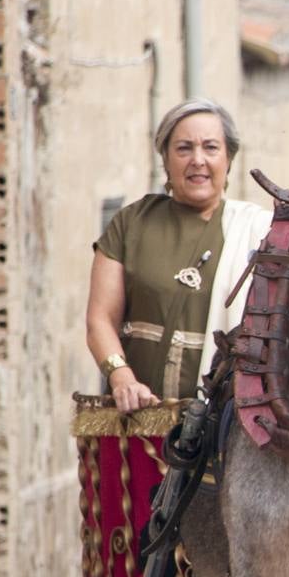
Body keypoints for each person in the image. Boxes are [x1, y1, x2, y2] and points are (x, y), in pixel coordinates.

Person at [85, 99, 272, 410]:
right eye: (184, 148)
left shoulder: (258, 233)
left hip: (219, 430)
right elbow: (99, 319)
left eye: (210, 148)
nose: (197, 160)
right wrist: (121, 376)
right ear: (166, 160)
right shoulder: (132, 223)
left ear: (228, 159)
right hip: (136, 422)